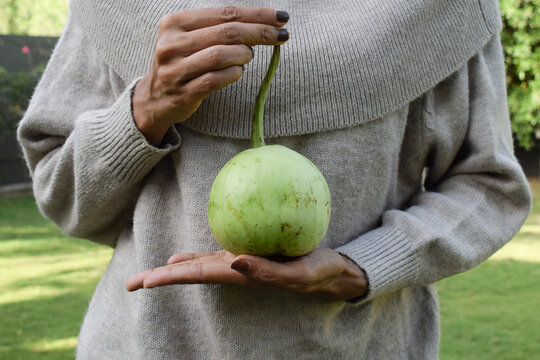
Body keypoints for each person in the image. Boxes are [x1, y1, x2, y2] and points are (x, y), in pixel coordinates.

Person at [18, 1, 531, 359]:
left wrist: (361, 266)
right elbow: (62, 197)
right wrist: (145, 108)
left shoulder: (440, 12)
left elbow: (489, 185)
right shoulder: (118, 8)